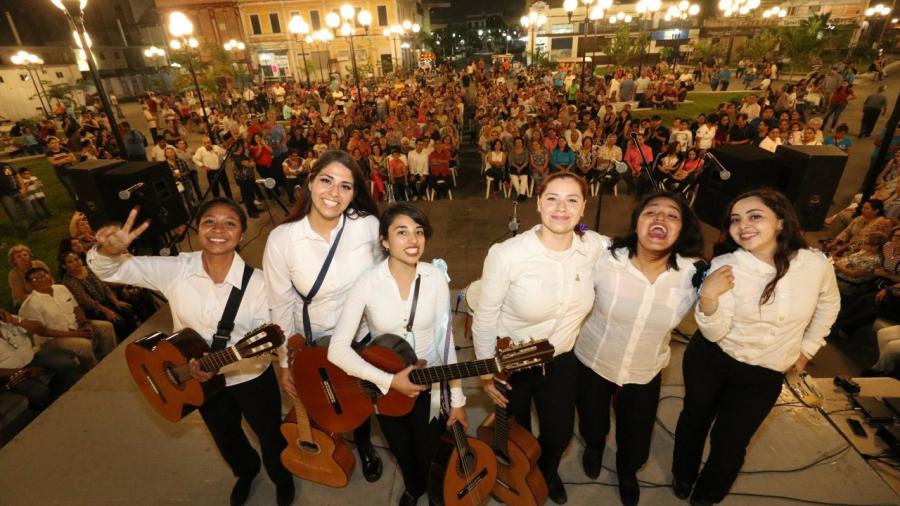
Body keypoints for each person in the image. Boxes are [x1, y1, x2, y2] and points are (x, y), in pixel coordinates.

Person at [88, 200, 295, 506]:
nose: (218, 230)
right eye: (210, 222)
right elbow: (109, 270)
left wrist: (272, 364)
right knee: (226, 438)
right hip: (195, 379)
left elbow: (274, 339)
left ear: (240, 234)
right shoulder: (178, 269)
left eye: (230, 223)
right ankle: (247, 472)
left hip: (250, 377)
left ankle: (282, 478)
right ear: (198, 229)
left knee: (270, 435)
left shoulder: (262, 284)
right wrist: (109, 250)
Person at [672, 189, 840, 506]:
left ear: (781, 221)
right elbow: (715, 331)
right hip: (713, 358)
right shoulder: (726, 265)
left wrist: (807, 349)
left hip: (765, 372)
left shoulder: (815, 265)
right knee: (694, 419)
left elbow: (829, 306)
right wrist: (708, 296)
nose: (743, 225)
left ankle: (706, 497)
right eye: (736, 219)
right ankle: (683, 475)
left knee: (731, 441)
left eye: (755, 216)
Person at [474, 172, 603, 504]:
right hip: (513, 361)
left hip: (560, 360)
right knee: (517, 434)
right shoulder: (506, 254)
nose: (561, 208)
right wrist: (488, 373)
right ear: (538, 203)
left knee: (559, 434)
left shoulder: (593, 246)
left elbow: (633, 247)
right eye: (552, 198)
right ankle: (523, 472)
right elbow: (485, 317)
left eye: (572, 200)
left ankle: (547, 472)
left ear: (583, 208)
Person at [327, 203, 467, 506]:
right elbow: (337, 349)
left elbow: (446, 343)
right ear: (385, 241)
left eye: (418, 232)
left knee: (431, 451)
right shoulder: (367, 283)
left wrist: (457, 402)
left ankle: (434, 494)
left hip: (429, 388)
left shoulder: (435, 280)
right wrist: (389, 380)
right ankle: (413, 488)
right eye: (401, 232)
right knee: (402, 450)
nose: (413, 240)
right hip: (383, 391)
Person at [262, 150, 385, 485]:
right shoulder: (282, 240)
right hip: (312, 340)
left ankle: (364, 447)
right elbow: (280, 306)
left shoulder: (368, 227)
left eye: (345, 186)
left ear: (354, 193)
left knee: (357, 398)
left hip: (358, 335)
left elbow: (382, 278)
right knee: (322, 398)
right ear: (310, 181)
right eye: (327, 180)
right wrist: (284, 363)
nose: (334, 192)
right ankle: (330, 445)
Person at [577, 192, 703, 506]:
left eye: (672, 215)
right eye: (651, 212)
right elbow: (571, 232)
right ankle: (594, 446)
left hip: (645, 370)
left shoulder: (693, 274)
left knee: (636, 442)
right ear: (636, 224)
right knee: (593, 424)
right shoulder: (605, 257)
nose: (660, 219)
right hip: (594, 360)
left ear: (683, 228)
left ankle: (626, 472)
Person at [18, 266, 116, 373]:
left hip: (75, 325)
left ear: (50, 275)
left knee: (106, 327)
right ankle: (94, 371)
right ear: (30, 285)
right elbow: (43, 332)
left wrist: (84, 324)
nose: (42, 279)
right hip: (53, 338)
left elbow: (76, 308)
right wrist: (76, 334)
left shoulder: (61, 288)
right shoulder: (31, 305)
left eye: (44, 275)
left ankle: (109, 358)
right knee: (83, 345)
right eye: (36, 279)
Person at [0, 308, 81, 410]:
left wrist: (16, 321)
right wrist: (22, 371)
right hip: (8, 374)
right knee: (41, 391)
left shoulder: (7, 320)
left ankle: (51, 401)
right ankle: (45, 405)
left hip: (30, 358)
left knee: (68, 365)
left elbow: (40, 329)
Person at [58, 250, 137, 342]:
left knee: (127, 309)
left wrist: (116, 301)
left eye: (76, 259)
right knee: (118, 320)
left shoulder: (87, 269)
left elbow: (104, 286)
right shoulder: (69, 281)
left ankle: (136, 337)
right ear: (64, 266)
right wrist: (107, 311)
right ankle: (127, 342)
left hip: (105, 302)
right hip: (93, 310)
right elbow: (86, 301)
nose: (75, 263)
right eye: (70, 262)